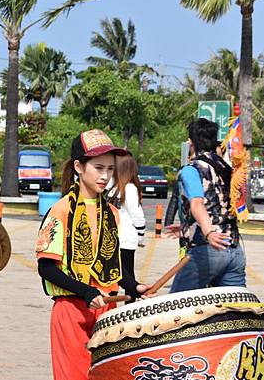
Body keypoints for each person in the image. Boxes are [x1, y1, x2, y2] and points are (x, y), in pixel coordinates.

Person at [35, 129, 153, 380]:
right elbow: (46, 267)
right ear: (79, 166)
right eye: (99, 168)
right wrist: (85, 291)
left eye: (110, 169)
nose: (105, 176)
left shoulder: (112, 212)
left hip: (106, 310)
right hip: (71, 309)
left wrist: (133, 286)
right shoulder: (61, 210)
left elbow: (115, 264)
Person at [170, 118, 245, 293]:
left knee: (178, 307)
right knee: (235, 311)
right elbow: (219, 206)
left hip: (207, 249)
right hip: (234, 250)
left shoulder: (191, 169)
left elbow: (197, 203)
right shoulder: (226, 168)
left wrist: (209, 232)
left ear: (191, 143)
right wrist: (187, 226)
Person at [106, 152, 146, 299]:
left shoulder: (110, 187)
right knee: (129, 278)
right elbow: (138, 216)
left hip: (112, 238)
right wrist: (141, 236)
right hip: (127, 239)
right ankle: (130, 308)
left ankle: (111, 304)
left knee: (114, 276)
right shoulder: (129, 188)